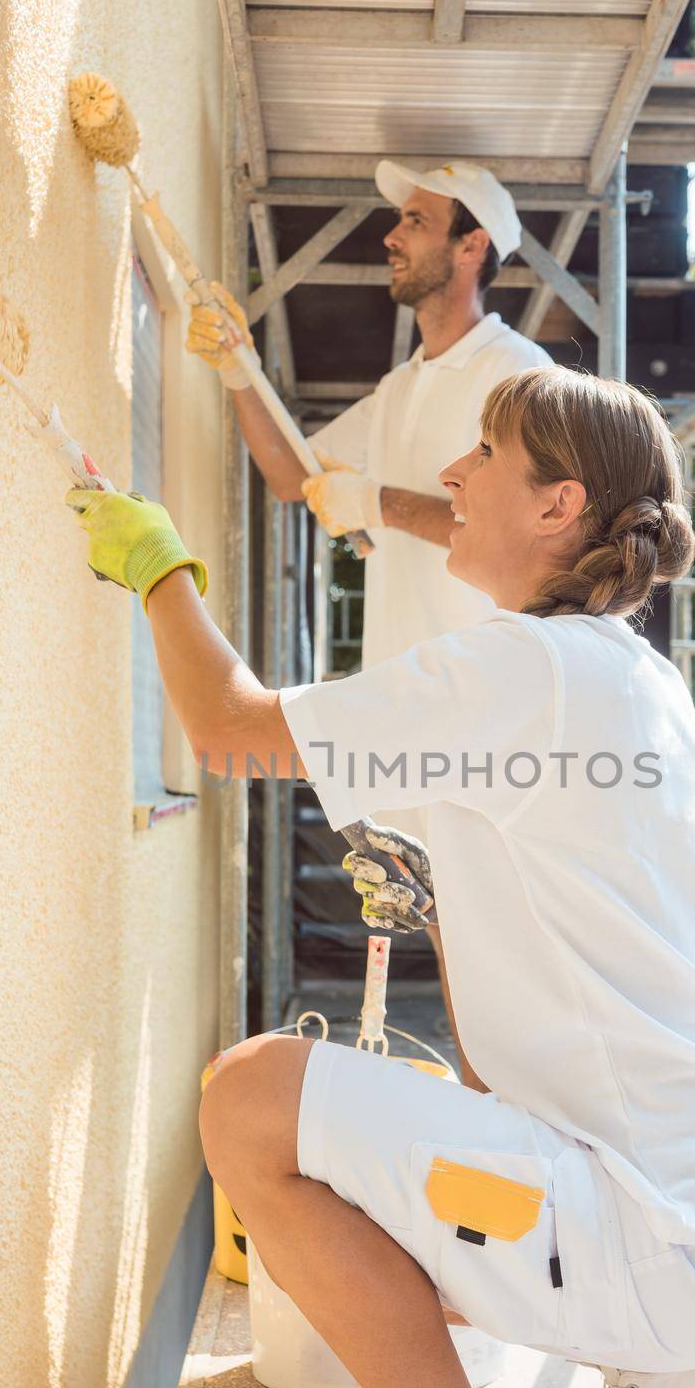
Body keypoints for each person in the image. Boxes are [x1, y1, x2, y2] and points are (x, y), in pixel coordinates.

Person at [65, 365, 695, 1388]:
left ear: (556, 504)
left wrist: (158, 566)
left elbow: (227, 732)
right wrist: (448, 906)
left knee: (252, 1099)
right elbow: (500, 1057)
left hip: (657, 1226)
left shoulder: (517, 665)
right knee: (390, 1149)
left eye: (481, 454)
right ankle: (672, 1349)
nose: (451, 477)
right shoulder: (637, 681)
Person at [184, 161, 551, 1069]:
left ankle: (519, 1147)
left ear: (472, 247)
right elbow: (294, 475)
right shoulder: (405, 387)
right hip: (417, 706)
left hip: (487, 710)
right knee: (466, 946)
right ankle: (492, 1136)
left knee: (506, 952)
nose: (391, 237)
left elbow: (521, 531)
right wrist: (237, 367)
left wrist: (378, 504)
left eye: (416, 221)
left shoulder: (516, 376)